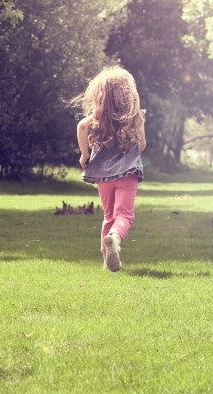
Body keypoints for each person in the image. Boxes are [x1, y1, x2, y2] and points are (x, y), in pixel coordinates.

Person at [75, 66, 146, 272]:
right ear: (127, 94)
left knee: (108, 216)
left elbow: (81, 126)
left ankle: (107, 261)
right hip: (128, 174)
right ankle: (115, 239)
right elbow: (142, 145)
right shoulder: (135, 117)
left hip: (103, 177)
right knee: (124, 215)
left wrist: (85, 154)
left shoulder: (97, 118)